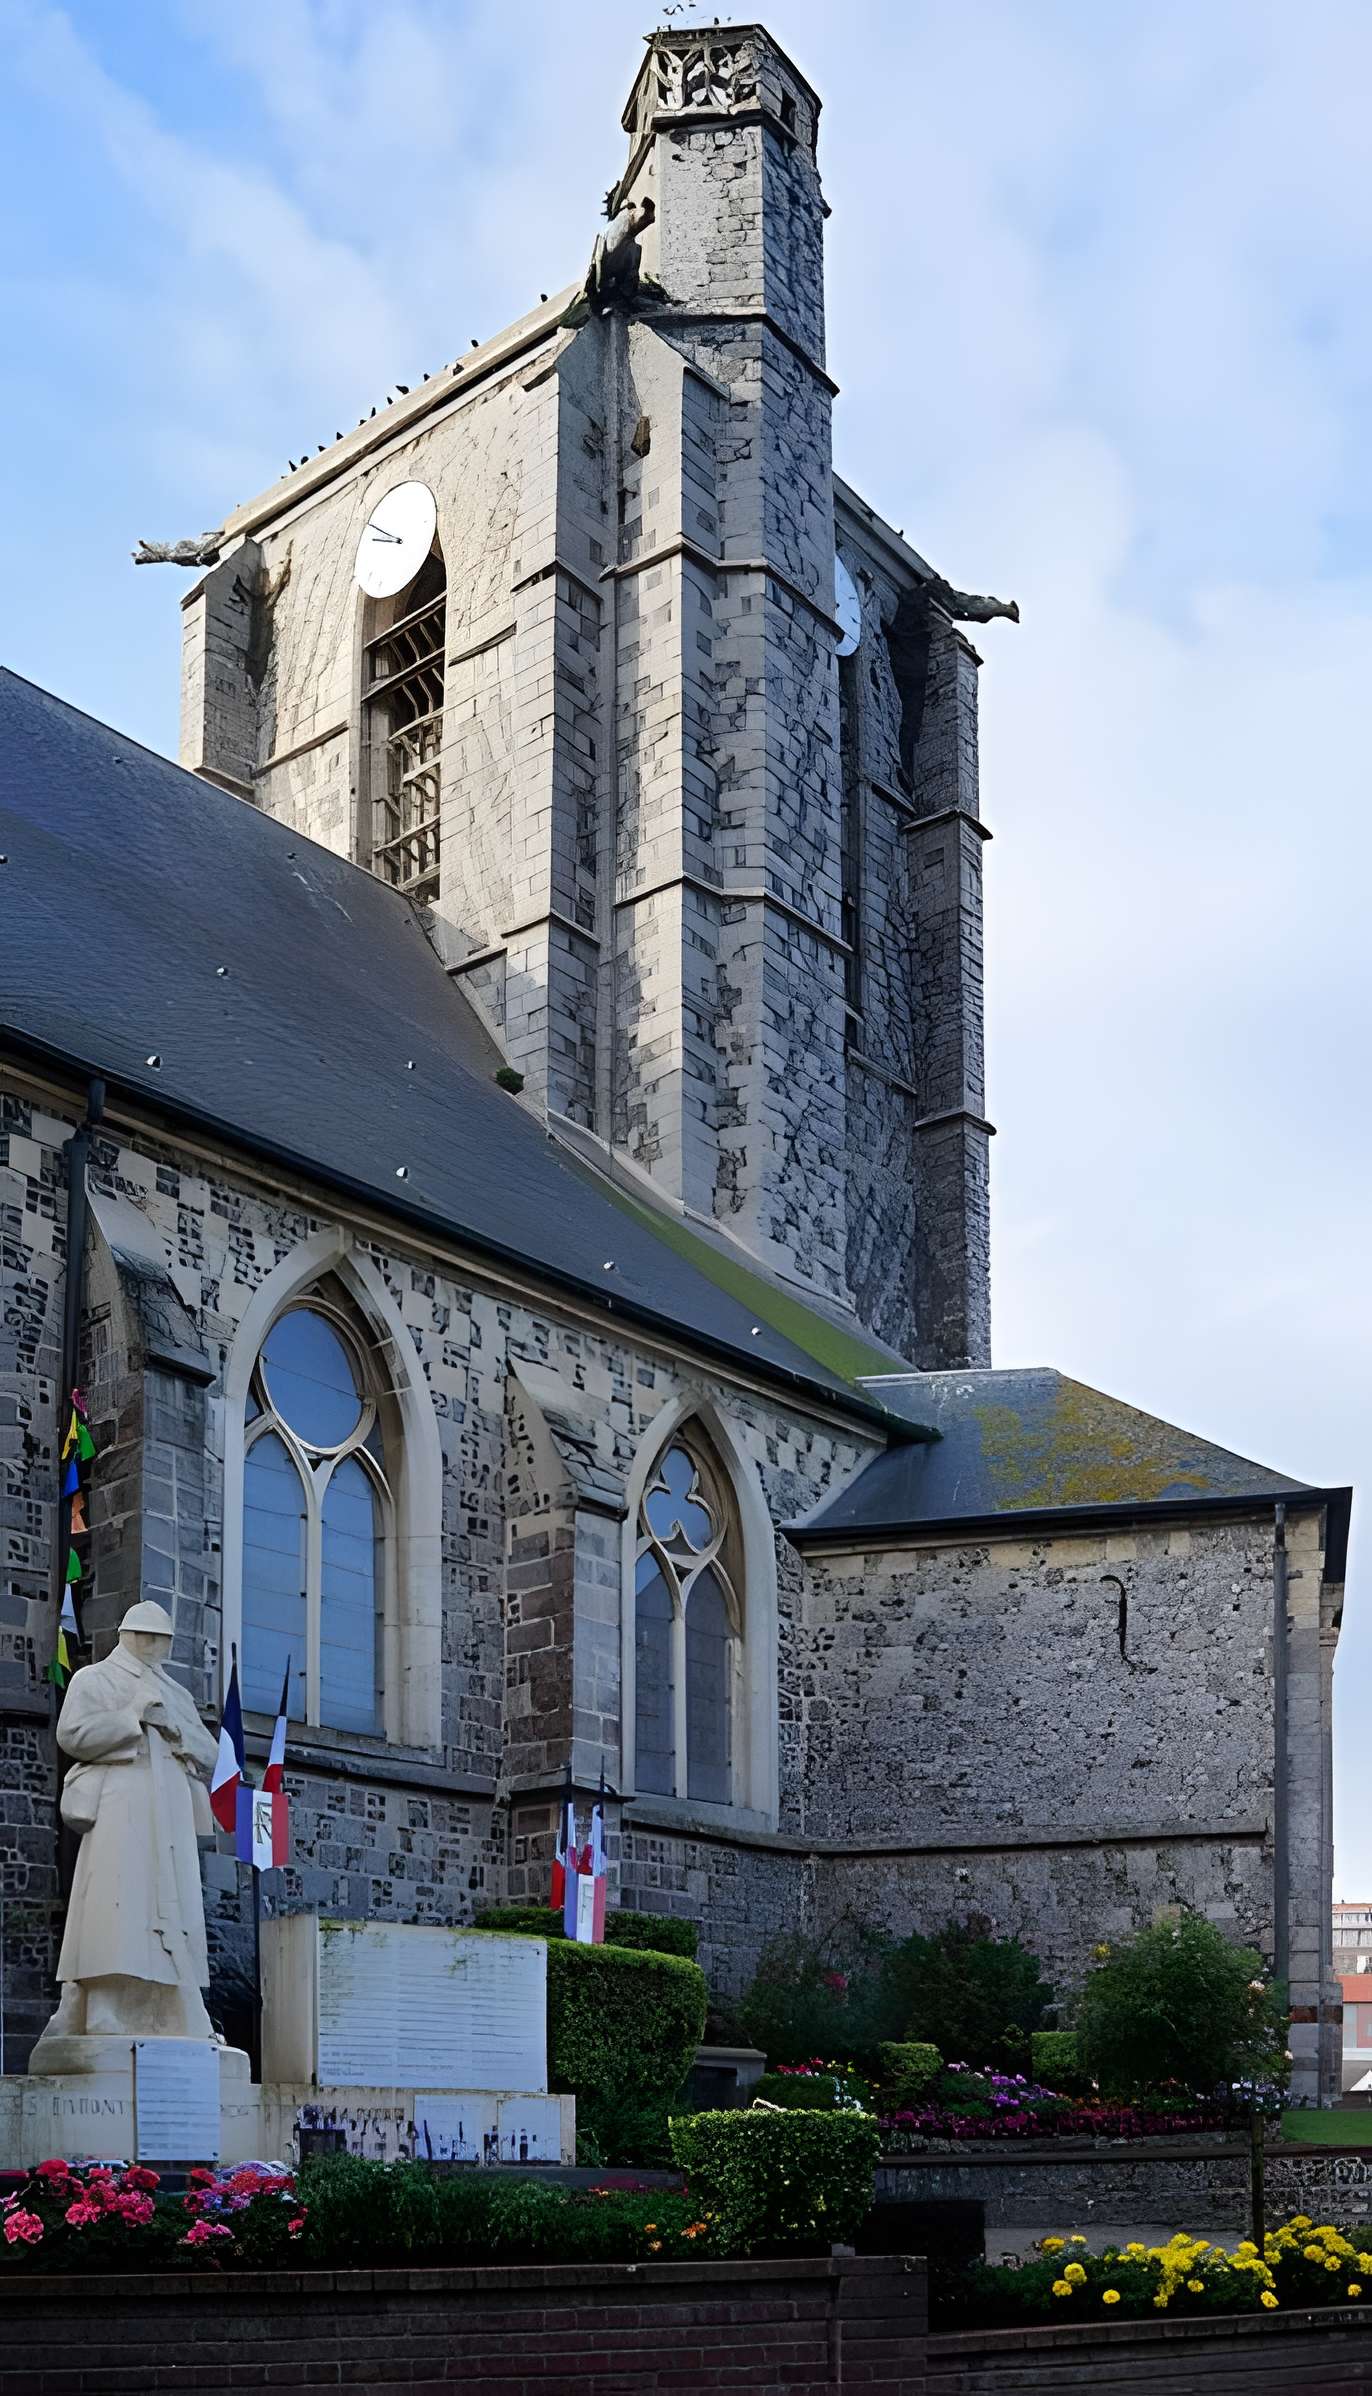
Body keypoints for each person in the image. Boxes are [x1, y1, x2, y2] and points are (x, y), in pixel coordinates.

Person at [31, 1600, 219, 2065]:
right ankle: (105, 2006)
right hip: (122, 1805)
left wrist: (177, 1730)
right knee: (115, 1904)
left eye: (162, 1639)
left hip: (171, 1810)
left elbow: (210, 1752)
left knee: (170, 1905)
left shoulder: (176, 1691)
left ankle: (174, 2005)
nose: (154, 1646)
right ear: (126, 1635)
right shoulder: (94, 1679)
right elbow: (72, 1735)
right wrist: (132, 1714)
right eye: (145, 1636)